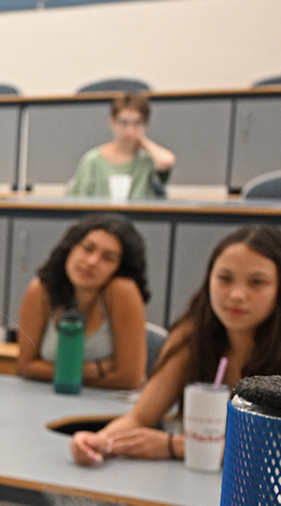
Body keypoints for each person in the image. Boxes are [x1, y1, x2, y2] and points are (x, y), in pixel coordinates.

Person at [71, 226, 281, 466]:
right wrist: (98, 442)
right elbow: (140, 418)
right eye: (224, 278)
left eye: (257, 282)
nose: (236, 295)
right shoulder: (192, 336)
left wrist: (177, 445)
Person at [15, 214, 150, 390]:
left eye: (108, 258)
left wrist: (56, 373)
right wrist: (99, 369)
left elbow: (129, 379)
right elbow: (26, 367)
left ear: (119, 268)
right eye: (87, 248)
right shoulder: (41, 291)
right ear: (70, 248)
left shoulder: (121, 290)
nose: (92, 262)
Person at [66, 93, 177, 200]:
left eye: (137, 123)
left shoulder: (147, 160)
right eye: (123, 123)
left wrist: (143, 141)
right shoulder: (93, 160)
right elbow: (77, 200)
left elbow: (166, 161)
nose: (130, 130)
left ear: (146, 124)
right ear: (112, 122)